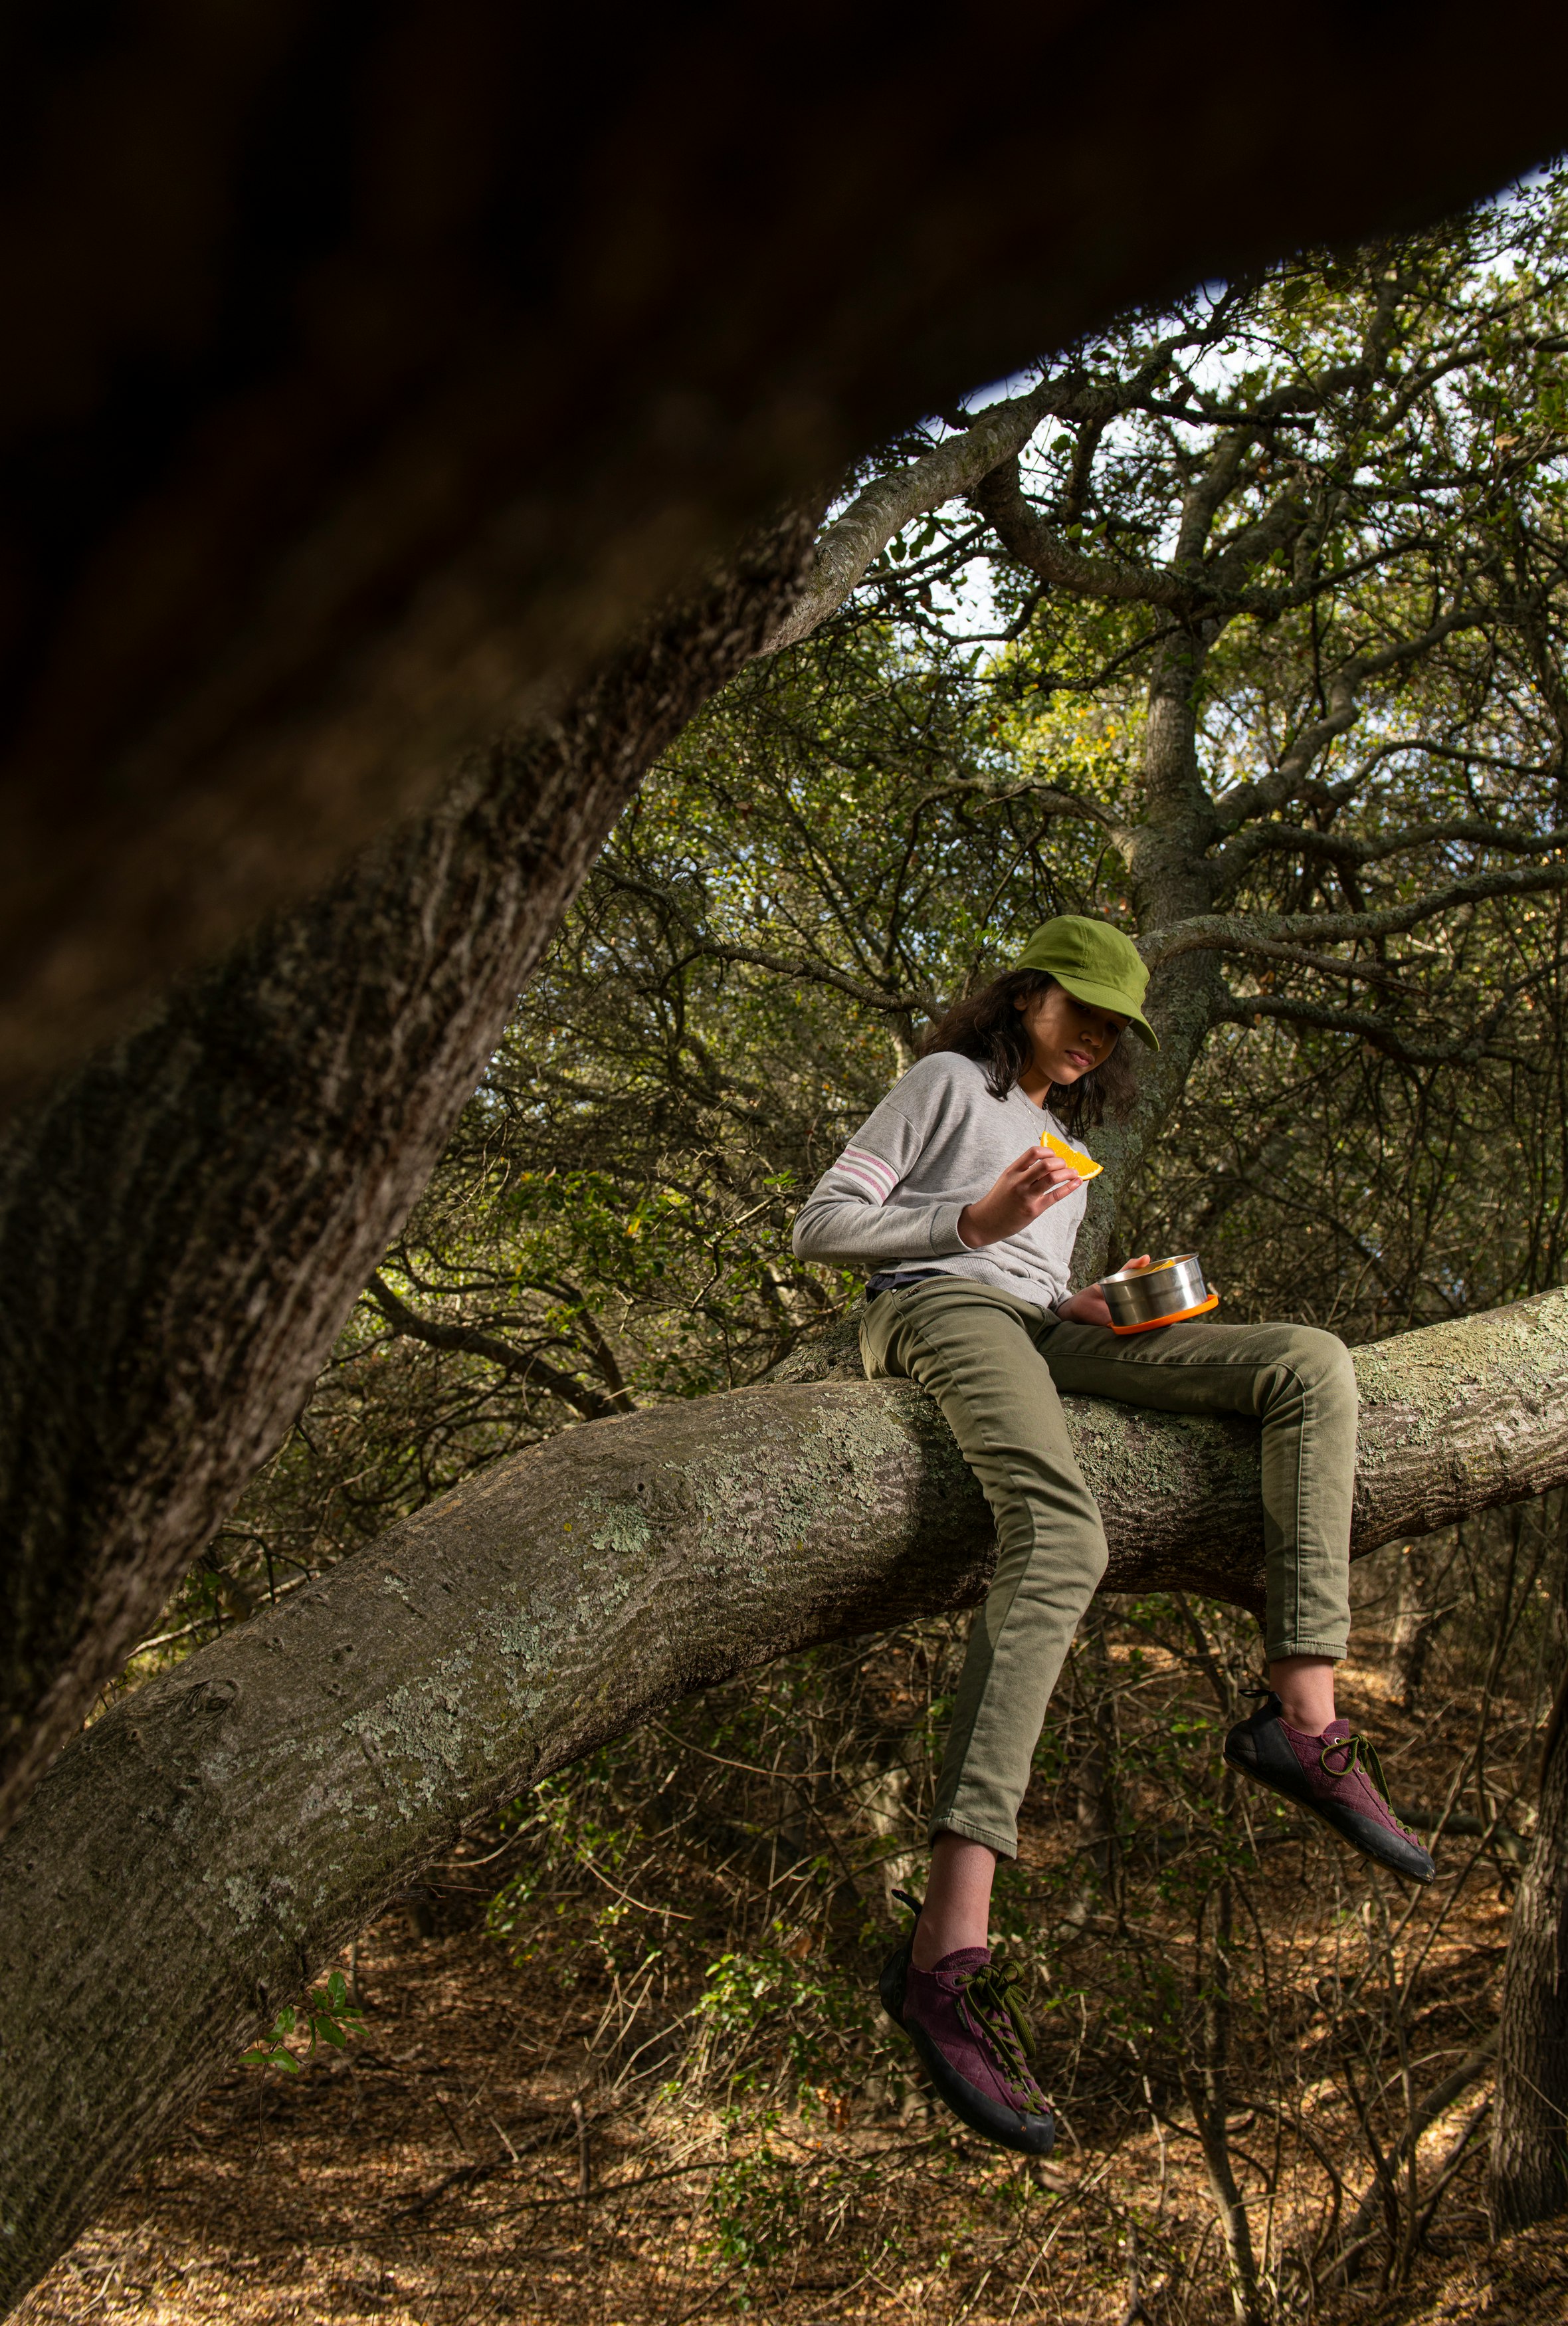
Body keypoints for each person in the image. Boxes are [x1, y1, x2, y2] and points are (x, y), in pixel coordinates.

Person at [791, 915, 1432, 2159]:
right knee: (1064, 1532)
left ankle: (1306, 1722)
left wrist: (1093, 1300)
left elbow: (1036, 1300)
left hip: (1032, 1324)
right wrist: (968, 1230)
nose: (1091, 1037)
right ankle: (945, 1953)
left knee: (1311, 1365)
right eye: (1076, 1006)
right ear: (1023, 992)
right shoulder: (944, 1086)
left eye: (1112, 1025)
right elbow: (823, 1227)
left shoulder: (1065, 1145)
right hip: (933, 1307)